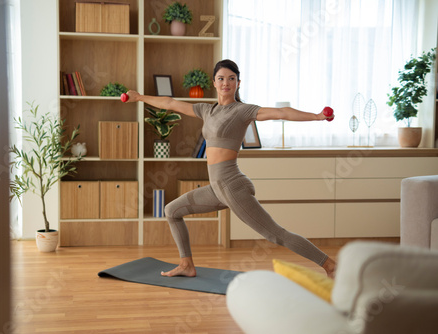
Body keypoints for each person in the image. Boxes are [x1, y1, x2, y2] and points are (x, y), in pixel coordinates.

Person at [125, 59, 336, 278]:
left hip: (232, 185)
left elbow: (282, 112)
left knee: (276, 235)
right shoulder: (206, 110)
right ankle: (186, 265)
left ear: (238, 83)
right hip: (217, 188)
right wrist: (139, 97)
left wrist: (317, 116)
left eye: (231, 79)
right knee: (172, 210)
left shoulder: (243, 111)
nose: (226, 82)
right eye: (221, 78)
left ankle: (329, 265)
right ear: (214, 83)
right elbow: (170, 103)